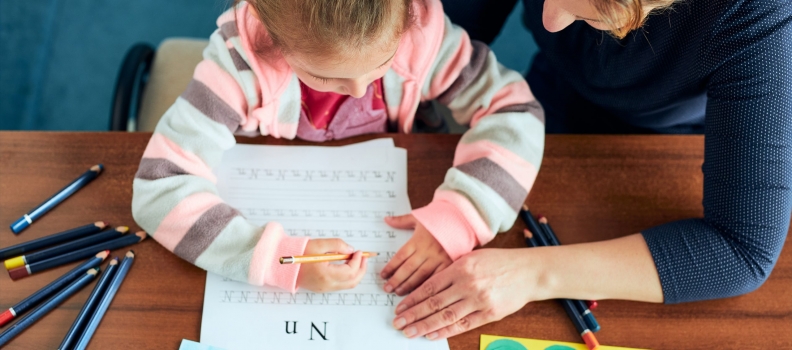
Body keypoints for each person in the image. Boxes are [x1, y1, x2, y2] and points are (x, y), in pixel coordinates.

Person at [390, 0, 792, 341]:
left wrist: (532, 274)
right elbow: (430, 35)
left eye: (596, 12)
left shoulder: (759, 14)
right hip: (539, 106)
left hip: (669, 144)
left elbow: (742, 250)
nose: (549, 21)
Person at [131, 0, 545, 294]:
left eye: (382, 63)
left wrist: (462, 215)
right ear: (270, 35)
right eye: (325, 76)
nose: (361, 89)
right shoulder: (240, 63)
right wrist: (280, 258)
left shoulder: (422, 34)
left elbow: (515, 110)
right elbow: (160, 187)